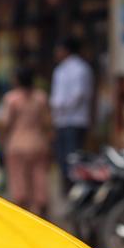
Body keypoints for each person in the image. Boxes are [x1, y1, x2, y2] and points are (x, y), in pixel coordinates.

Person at [0, 66, 52, 218]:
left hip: (16, 145)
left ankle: (23, 215)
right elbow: (47, 122)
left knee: (18, 180)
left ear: (17, 80)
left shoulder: (11, 98)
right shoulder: (42, 97)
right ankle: (39, 210)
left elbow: (5, 123)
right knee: (39, 178)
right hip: (38, 144)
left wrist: (2, 140)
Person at [50, 35, 93, 190]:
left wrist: (65, 108)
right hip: (61, 121)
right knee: (62, 159)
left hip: (75, 120)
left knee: (73, 158)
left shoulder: (81, 68)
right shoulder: (60, 70)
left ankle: (77, 189)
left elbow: (79, 94)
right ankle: (67, 190)